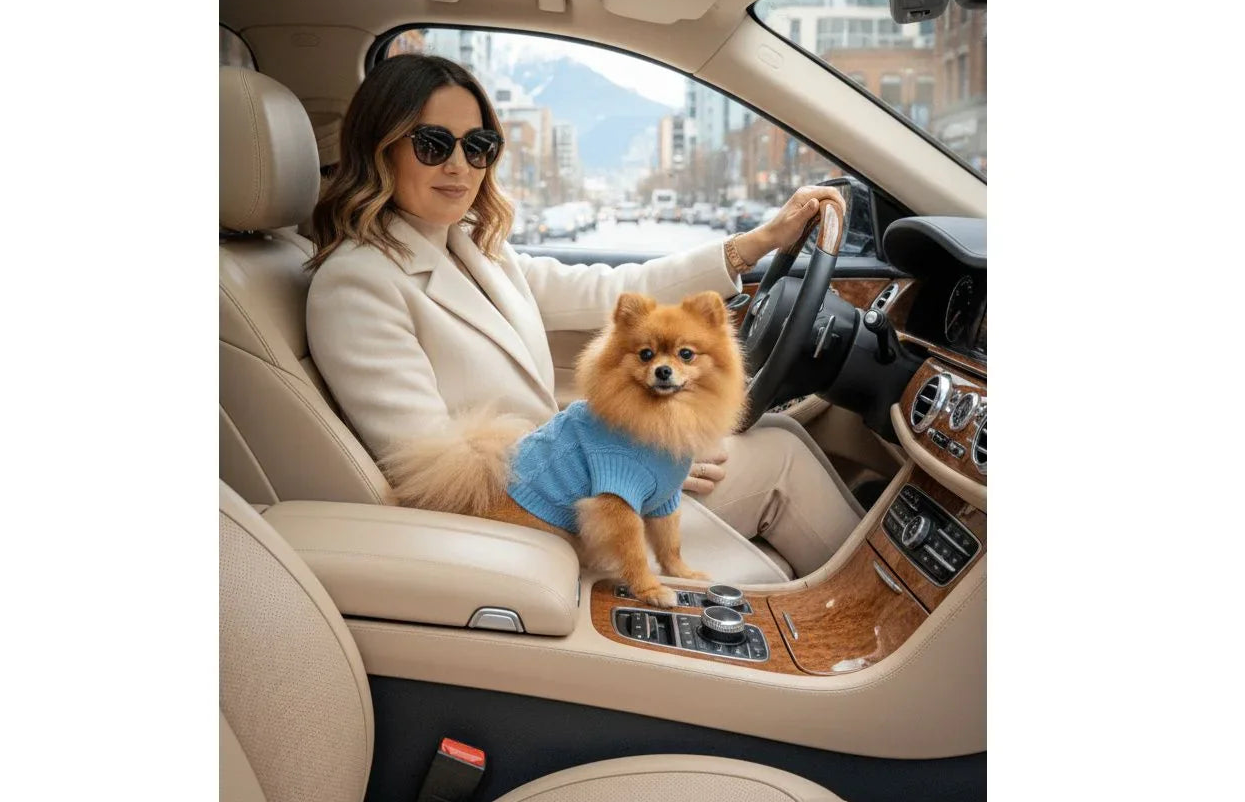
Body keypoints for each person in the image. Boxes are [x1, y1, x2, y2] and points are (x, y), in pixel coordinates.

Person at [305, 54, 863, 579]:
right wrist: (624, 466)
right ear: (380, 149)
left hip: (566, 480)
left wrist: (755, 243)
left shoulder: (472, 248)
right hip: (533, 521)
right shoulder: (357, 284)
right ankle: (880, 636)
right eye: (432, 144)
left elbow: (610, 292)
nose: (459, 165)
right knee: (783, 458)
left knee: (780, 433)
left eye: (478, 145)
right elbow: (437, 474)